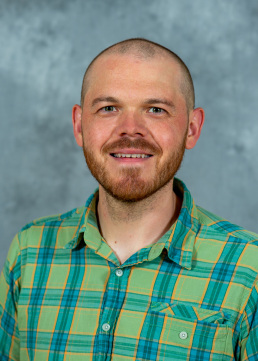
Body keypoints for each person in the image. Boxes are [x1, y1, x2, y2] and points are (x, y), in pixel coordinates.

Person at [0, 38, 257, 361]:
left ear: (191, 128)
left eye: (155, 110)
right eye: (109, 108)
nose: (130, 130)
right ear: (80, 125)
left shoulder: (250, 269)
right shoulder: (29, 253)